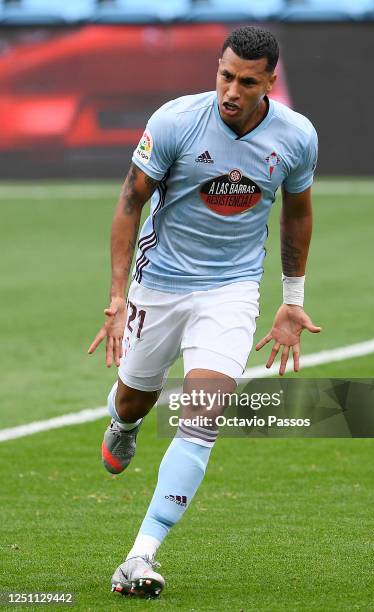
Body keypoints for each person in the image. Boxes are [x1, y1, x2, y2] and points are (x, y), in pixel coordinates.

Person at [88, 25, 321, 599]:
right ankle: (124, 424)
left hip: (231, 290)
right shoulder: (175, 122)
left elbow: (296, 214)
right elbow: (129, 203)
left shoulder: (296, 137)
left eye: (247, 81)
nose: (231, 92)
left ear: (270, 82)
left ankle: (140, 556)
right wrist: (118, 298)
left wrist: (292, 301)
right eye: (224, 76)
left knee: (202, 416)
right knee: (135, 396)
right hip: (159, 283)